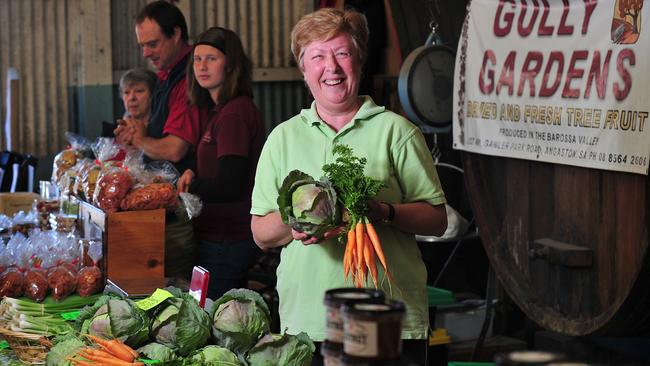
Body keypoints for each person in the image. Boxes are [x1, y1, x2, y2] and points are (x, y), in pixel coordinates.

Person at [249, 8, 447, 365]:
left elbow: (436, 219)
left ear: (359, 61)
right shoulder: (283, 138)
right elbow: (261, 233)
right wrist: (299, 218)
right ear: (304, 70)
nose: (332, 68)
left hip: (386, 317)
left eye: (342, 53)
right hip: (308, 321)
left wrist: (382, 211)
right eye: (318, 57)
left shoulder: (396, 132)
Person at [115, 0, 204, 280]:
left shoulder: (189, 77)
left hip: (185, 214)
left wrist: (140, 139)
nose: (146, 53)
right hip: (167, 208)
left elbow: (175, 149)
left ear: (176, 34)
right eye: (142, 45)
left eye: (152, 44)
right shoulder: (166, 76)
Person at [176, 27, 264, 300]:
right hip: (219, 237)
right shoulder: (221, 111)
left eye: (211, 58)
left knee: (219, 323)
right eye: (197, 59)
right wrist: (194, 172)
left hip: (228, 238)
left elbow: (230, 185)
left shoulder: (234, 114)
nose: (202, 66)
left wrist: (189, 186)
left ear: (230, 64)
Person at [109, 68, 157, 141]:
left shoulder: (163, 129)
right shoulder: (121, 127)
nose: (131, 98)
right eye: (126, 92)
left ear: (153, 94)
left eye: (139, 91)